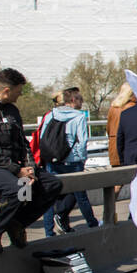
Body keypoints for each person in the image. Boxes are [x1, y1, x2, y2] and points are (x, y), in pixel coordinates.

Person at [0, 68, 64, 254]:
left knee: (52, 185)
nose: (20, 96)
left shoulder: (11, 110)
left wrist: (29, 167)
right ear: (7, 91)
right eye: (18, 92)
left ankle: (17, 223)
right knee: (18, 188)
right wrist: (16, 171)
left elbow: (22, 143)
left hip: (11, 166)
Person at [41, 87, 100, 235]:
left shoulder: (51, 115)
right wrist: (82, 159)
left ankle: (49, 233)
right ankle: (93, 225)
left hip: (53, 161)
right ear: (73, 100)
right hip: (73, 162)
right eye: (80, 99)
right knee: (81, 196)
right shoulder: (79, 117)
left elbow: (43, 137)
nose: (82, 102)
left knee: (50, 197)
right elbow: (82, 141)